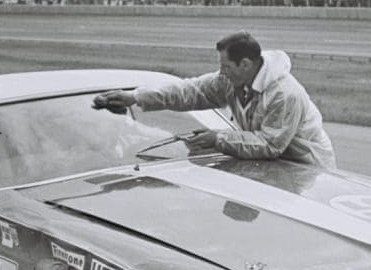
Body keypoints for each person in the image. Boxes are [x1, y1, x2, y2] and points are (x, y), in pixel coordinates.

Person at [92, 31, 336, 169]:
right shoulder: (230, 79)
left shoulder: (284, 94)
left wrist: (218, 138)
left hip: (309, 166)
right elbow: (188, 92)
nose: (221, 72)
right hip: (271, 164)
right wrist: (134, 97)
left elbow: (270, 144)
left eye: (226, 66)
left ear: (245, 64)